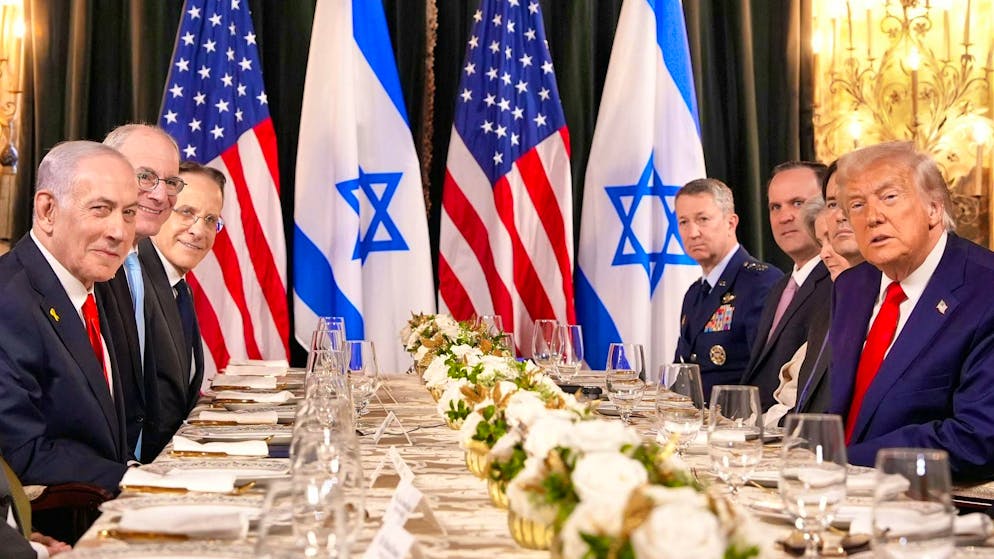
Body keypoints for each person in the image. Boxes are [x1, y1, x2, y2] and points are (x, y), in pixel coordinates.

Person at [829, 141, 994, 479]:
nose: (873, 217)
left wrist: (843, 462)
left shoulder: (985, 290)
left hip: (931, 508)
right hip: (831, 494)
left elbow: (978, 437)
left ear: (934, 208)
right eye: (857, 205)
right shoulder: (851, 286)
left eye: (889, 197)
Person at [0, 141, 136, 493]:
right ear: (47, 210)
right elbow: (23, 454)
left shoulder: (97, 285)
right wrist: (142, 483)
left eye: (129, 213)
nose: (119, 231)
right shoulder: (8, 301)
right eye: (100, 209)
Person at [96, 124, 182, 462]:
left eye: (171, 182)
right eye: (145, 176)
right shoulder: (89, 266)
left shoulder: (145, 263)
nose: (160, 195)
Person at [673, 178, 782, 399]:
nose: (692, 232)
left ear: (731, 223)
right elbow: (682, 369)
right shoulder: (694, 293)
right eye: (683, 222)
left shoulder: (761, 283)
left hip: (734, 423)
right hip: (690, 422)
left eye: (702, 219)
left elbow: (766, 377)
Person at [142, 161, 225, 447]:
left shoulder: (180, 288)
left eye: (211, 220)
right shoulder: (132, 282)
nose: (199, 231)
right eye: (187, 213)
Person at [740, 161, 833, 410]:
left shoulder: (839, 285)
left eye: (798, 203)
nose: (785, 216)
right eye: (775, 207)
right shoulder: (779, 287)